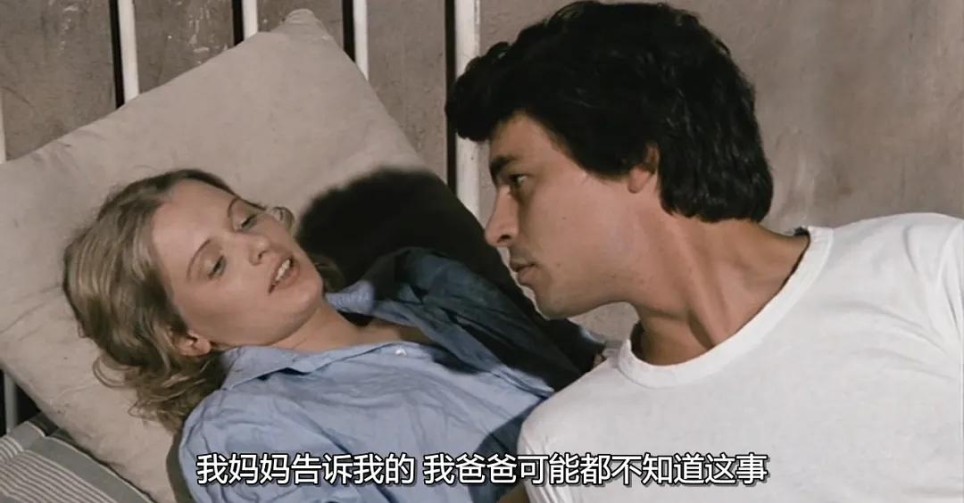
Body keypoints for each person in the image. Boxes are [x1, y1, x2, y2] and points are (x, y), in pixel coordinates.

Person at [447, 1, 964, 501]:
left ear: (637, 160)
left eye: (519, 181)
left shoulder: (926, 270)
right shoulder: (570, 447)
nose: (496, 229)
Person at [61, 168, 603, 503]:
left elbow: (592, 369)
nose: (258, 246)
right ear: (185, 338)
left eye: (245, 220)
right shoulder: (241, 430)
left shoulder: (426, 282)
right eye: (215, 265)